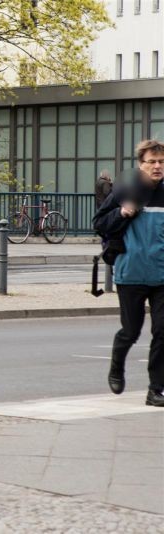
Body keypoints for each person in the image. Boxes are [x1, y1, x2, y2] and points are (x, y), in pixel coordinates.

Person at [93, 139, 164, 407]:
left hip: (162, 276)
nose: (157, 166)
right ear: (140, 165)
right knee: (131, 331)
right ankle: (116, 366)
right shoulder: (125, 190)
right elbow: (99, 224)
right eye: (151, 161)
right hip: (131, 273)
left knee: (163, 331)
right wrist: (122, 213)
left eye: (161, 161)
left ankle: (156, 388)